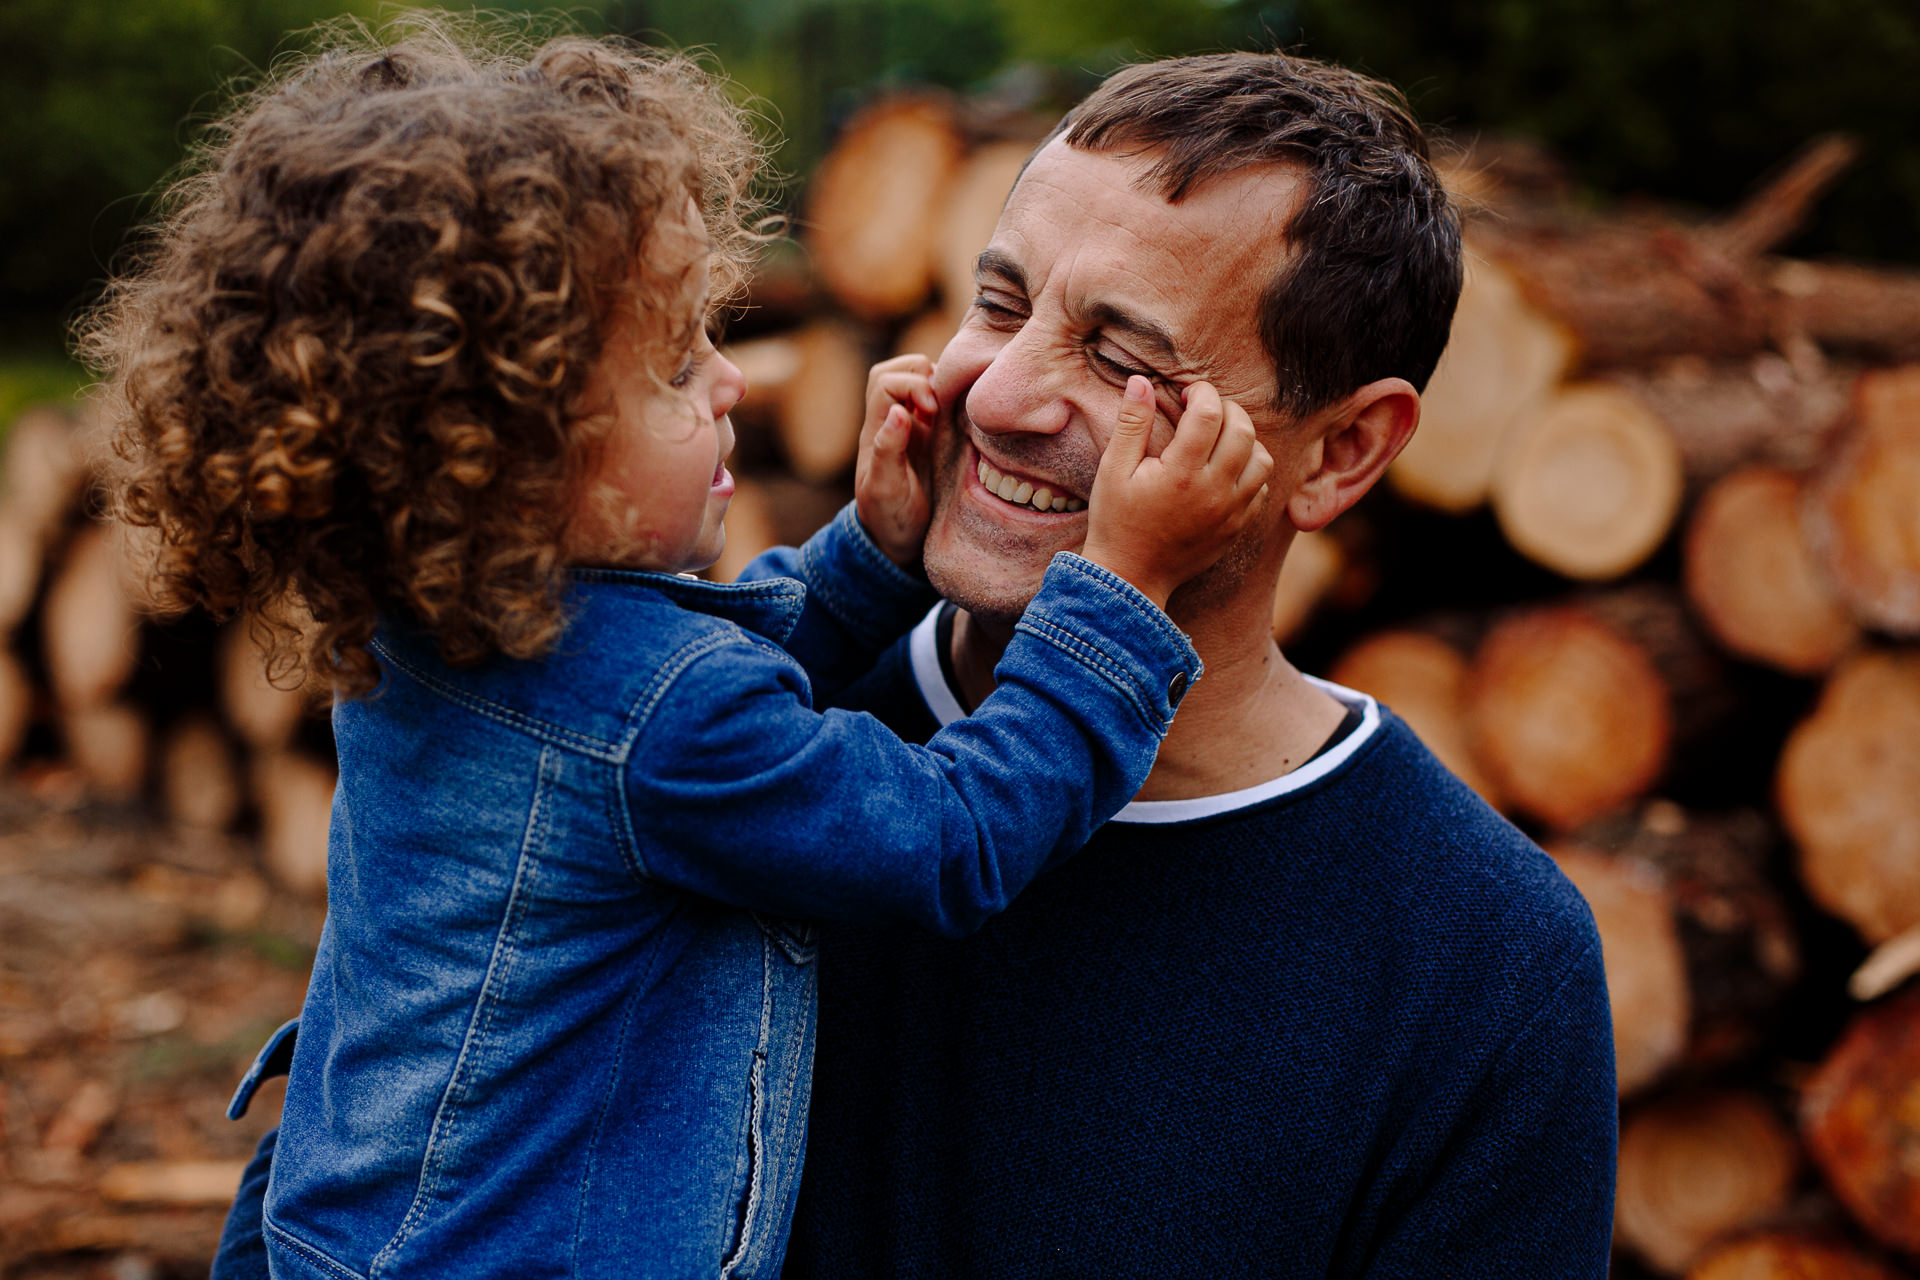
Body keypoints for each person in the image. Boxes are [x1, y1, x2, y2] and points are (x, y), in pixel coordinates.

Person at [80, 22, 1278, 1279]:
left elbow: (683, 693)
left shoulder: (440, 627)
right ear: (506, 452)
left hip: (343, 1233)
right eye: (669, 364)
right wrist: (1117, 594)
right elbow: (946, 836)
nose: (731, 383)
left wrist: (868, 553)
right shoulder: (660, 717)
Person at [782, 52, 1618, 1278]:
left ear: (1340, 452)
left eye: (1124, 358)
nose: (1001, 395)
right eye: (1001, 304)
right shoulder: (752, 741)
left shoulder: (1485, 962)